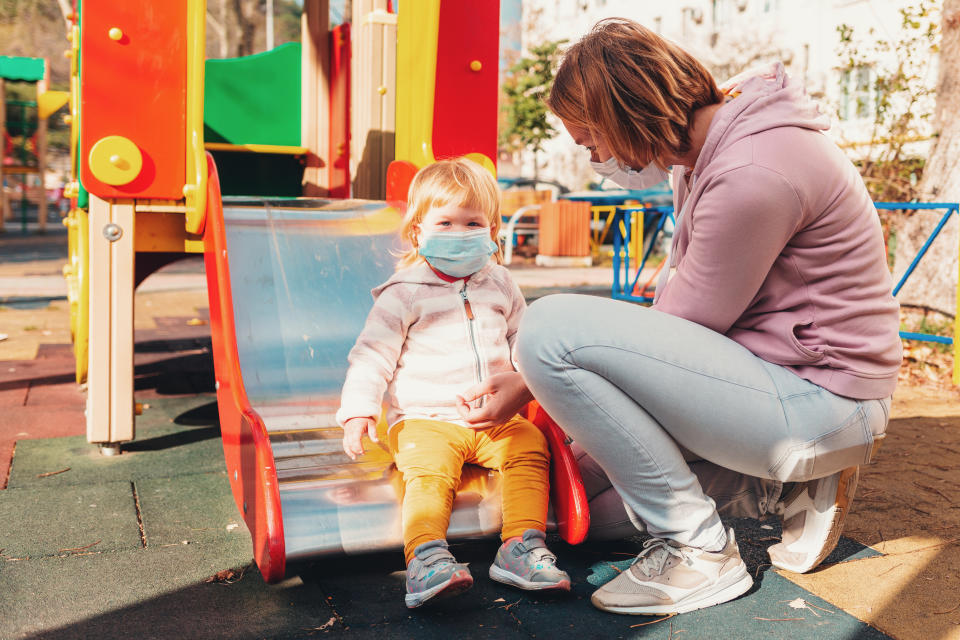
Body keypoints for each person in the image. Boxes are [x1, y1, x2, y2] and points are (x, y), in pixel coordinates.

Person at [456, 18, 901, 616]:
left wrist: (529, 378)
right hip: (769, 379)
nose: (597, 160)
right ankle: (776, 486)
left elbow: (685, 326)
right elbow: (675, 316)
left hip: (819, 399)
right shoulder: (709, 152)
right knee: (576, 508)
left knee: (547, 330)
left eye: (592, 143)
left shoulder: (753, 173)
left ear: (622, 117)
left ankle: (700, 551)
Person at [336, 158, 571, 609]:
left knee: (529, 446)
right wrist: (360, 411)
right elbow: (372, 355)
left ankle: (520, 546)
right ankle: (426, 556)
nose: (460, 232)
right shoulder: (403, 292)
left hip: (494, 420)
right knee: (428, 472)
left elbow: (523, 339)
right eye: (445, 222)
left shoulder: (500, 283)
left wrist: (529, 381)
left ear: (492, 230)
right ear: (418, 231)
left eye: (472, 222)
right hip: (424, 420)